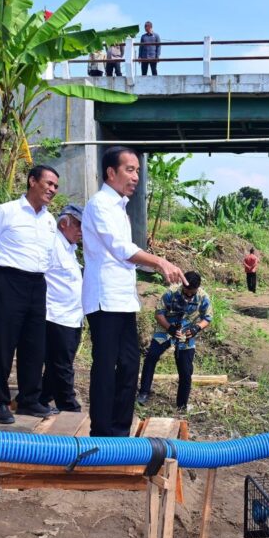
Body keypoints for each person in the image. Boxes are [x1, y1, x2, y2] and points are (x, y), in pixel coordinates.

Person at [82, 146, 185, 437]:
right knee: (106, 365)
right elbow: (120, 249)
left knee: (129, 363)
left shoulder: (120, 208)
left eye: (138, 170)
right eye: (130, 169)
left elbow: (124, 253)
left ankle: (119, 429)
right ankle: (102, 432)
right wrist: (160, 261)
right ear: (111, 172)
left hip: (123, 299)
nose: (136, 176)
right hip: (104, 299)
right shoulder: (100, 204)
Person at [0, 165, 59, 424]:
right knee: (3, 342)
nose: (52, 190)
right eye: (48, 183)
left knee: (35, 344)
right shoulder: (6, 211)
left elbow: (49, 255)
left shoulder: (49, 219)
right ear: (32, 181)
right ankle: (1, 401)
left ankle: (29, 399)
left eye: (56, 186)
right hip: (8, 280)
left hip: (37, 283)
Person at [136, 271, 213, 412]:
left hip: (186, 332)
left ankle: (181, 404)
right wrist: (170, 328)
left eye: (192, 293)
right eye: (186, 292)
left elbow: (207, 317)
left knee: (186, 369)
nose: (188, 296)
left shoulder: (203, 297)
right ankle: (144, 392)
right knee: (151, 357)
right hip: (165, 328)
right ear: (183, 285)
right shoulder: (170, 293)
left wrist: (196, 328)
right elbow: (158, 313)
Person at [39, 204, 85, 414]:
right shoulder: (53, 244)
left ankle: (43, 396)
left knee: (58, 362)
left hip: (72, 316)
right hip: (57, 315)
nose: (81, 231)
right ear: (64, 223)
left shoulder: (69, 248)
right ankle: (68, 404)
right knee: (62, 363)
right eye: (78, 225)